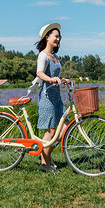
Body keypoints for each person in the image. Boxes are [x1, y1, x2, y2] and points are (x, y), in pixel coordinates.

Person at [35, 23, 68, 172]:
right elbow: (39, 73)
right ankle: (45, 164)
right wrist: (50, 79)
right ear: (47, 37)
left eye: (59, 36)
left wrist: (62, 79)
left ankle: (45, 156)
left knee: (64, 129)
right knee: (50, 132)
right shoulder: (43, 55)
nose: (58, 38)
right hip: (47, 98)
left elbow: (56, 76)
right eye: (55, 35)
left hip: (57, 98)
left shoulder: (54, 56)